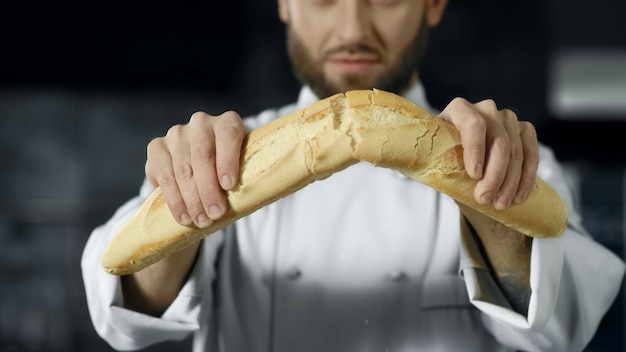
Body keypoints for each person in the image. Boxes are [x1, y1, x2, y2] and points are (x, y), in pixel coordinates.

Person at [82, 0, 625, 351]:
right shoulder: (226, 153)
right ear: (285, 6)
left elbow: (562, 331)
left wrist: (497, 204)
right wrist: (183, 208)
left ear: (433, 5)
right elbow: (123, 315)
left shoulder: (503, 156)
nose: (352, 28)